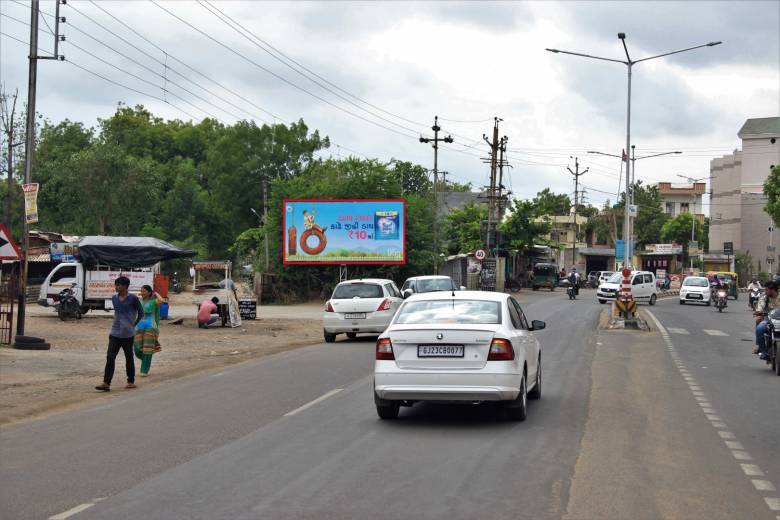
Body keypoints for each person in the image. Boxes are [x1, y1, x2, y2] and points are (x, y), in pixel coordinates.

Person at [95, 277, 144, 392]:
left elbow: (141, 313)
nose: (116, 287)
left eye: (119, 285)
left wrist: (133, 324)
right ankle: (106, 383)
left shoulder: (133, 299)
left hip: (128, 334)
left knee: (129, 358)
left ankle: (130, 381)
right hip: (115, 332)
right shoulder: (114, 298)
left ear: (126, 286)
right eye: (116, 285)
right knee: (110, 357)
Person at [134, 285, 164, 377]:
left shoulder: (154, 302)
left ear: (149, 292)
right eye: (141, 291)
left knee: (147, 349)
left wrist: (156, 293)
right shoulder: (139, 302)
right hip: (138, 327)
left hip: (151, 327)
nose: (142, 292)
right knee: (137, 348)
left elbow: (161, 300)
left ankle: (144, 371)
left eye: (144, 291)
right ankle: (146, 359)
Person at [754, 280, 778, 360]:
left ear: (773, 290)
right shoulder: (764, 297)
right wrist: (759, 313)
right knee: (759, 329)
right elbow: (760, 306)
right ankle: (763, 351)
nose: (765, 291)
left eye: (766, 290)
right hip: (769, 319)